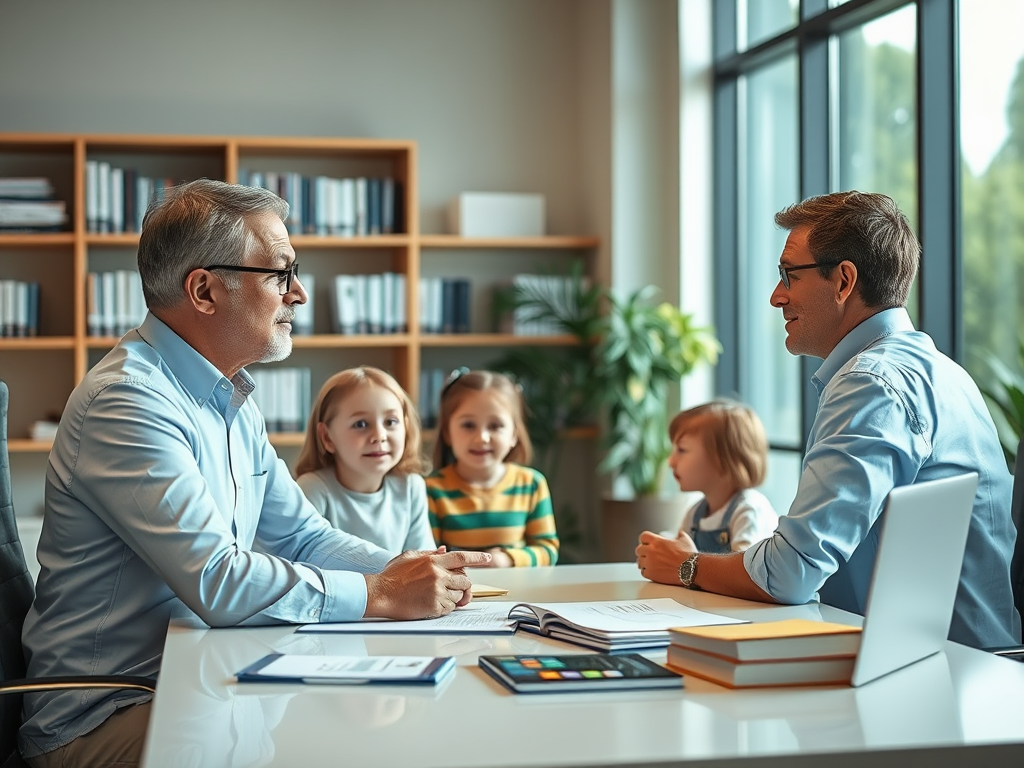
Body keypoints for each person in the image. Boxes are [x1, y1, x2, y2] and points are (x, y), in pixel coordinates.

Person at [18, 180, 490, 768]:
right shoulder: (130, 402)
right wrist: (382, 594)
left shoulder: (228, 394)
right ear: (204, 290)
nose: (298, 295)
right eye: (279, 274)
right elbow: (218, 580)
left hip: (200, 676)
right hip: (114, 710)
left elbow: (301, 536)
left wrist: (407, 570)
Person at [636, 190, 1021, 650]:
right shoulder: (942, 371)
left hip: (935, 673)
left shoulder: (871, 383)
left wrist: (688, 565)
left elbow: (791, 571)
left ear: (843, 281)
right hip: (965, 663)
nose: (777, 296)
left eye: (788, 276)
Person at [425, 369, 559, 567]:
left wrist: (504, 559)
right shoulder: (431, 489)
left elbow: (548, 550)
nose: (482, 438)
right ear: (447, 432)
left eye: (495, 426)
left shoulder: (532, 484)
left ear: (515, 434)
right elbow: (428, 555)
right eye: (469, 425)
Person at [294, 366, 435, 552]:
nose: (379, 435)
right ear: (327, 438)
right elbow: (299, 563)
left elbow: (422, 562)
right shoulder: (314, 489)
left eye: (391, 422)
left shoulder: (411, 487)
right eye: (360, 424)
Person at [667, 400, 778, 553]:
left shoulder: (748, 511)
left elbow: (743, 573)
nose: (670, 461)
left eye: (682, 450)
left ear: (724, 460)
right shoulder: (695, 513)